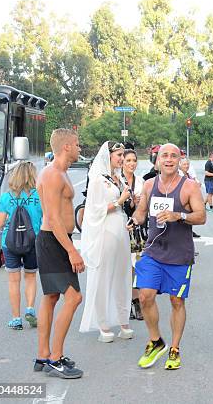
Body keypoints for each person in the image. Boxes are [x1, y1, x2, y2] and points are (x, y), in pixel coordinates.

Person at [129, 143, 206, 370]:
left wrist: (178, 215)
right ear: (157, 160)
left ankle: (174, 348)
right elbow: (142, 213)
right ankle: (156, 341)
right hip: (153, 250)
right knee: (145, 296)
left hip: (180, 254)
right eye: (165, 155)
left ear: (179, 159)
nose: (169, 159)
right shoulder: (150, 185)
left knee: (176, 300)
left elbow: (201, 216)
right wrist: (133, 219)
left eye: (174, 155)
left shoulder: (189, 186)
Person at [34, 128, 84, 379]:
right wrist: (72, 251)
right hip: (53, 241)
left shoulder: (61, 173)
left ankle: (43, 355)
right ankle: (55, 358)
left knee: (52, 297)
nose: (79, 148)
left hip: (56, 240)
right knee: (74, 298)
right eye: (76, 144)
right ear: (66, 147)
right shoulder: (52, 174)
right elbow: (53, 219)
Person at [79, 141, 133, 342]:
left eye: (122, 154)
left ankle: (123, 320)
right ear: (108, 156)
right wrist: (120, 200)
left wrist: (129, 200)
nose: (121, 158)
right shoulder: (97, 180)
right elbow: (94, 209)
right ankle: (102, 323)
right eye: (118, 155)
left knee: (122, 273)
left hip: (120, 228)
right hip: (105, 230)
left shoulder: (117, 178)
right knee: (104, 276)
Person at [0, 162, 42, 330]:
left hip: (10, 244)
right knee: (30, 277)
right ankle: (30, 308)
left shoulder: (6, 197)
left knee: (13, 281)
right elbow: (45, 219)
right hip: (33, 241)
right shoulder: (39, 196)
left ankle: (16, 319)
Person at [121, 149, 145, 320]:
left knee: (136, 267)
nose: (131, 163)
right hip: (119, 227)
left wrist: (138, 203)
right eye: (128, 160)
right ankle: (123, 303)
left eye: (134, 160)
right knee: (122, 268)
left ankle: (136, 302)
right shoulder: (116, 180)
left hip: (137, 230)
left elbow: (144, 206)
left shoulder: (141, 182)